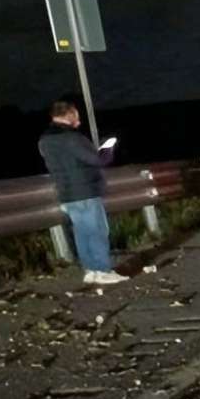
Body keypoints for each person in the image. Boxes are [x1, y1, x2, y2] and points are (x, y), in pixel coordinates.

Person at [37, 100, 128, 285]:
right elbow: (97, 160)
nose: (78, 121)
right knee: (97, 231)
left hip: (66, 194)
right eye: (76, 117)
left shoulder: (44, 140)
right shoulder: (72, 138)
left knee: (82, 233)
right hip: (85, 191)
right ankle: (102, 270)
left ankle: (90, 270)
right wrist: (108, 147)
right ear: (68, 115)